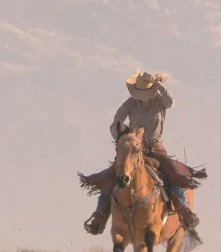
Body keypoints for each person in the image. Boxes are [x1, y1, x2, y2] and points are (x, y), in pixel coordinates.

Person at [81, 70, 206, 235]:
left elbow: (171, 101)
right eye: (140, 94)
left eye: (146, 93)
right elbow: (116, 122)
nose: (143, 97)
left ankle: (184, 211)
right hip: (134, 148)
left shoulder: (160, 101)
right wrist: (121, 136)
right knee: (110, 177)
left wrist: (158, 84)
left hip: (155, 147)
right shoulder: (130, 103)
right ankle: (99, 217)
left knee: (174, 173)